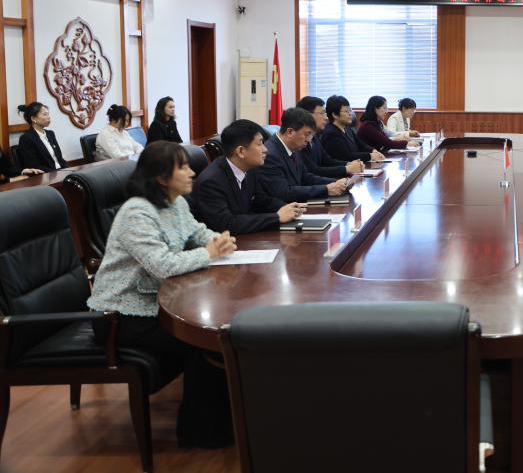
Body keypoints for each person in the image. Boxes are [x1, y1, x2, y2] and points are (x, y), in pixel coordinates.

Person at [86, 141, 237, 448]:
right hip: (121, 315)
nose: (192, 172)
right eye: (184, 167)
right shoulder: (136, 212)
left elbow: (197, 232)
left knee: (216, 332)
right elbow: (163, 266)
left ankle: (226, 420)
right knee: (205, 338)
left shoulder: (175, 202)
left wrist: (218, 241)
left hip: (156, 302)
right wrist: (208, 254)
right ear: (161, 177)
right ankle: (201, 433)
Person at [191, 119, 305, 234]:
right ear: (241, 151)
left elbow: (261, 200)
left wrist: (288, 208)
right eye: (260, 144)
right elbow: (227, 224)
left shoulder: (250, 168)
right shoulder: (210, 182)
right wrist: (277, 217)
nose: (265, 149)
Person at [257, 107, 353, 202]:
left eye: (311, 135)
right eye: (307, 134)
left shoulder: (294, 147)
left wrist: (336, 183)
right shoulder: (270, 155)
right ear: (290, 132)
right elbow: (283, 192)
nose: (309, 140)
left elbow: (305, 177)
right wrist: (326, 189)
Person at [295, 95, 363, 178]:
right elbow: (313, 170)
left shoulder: (315, 137)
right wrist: (346, 169)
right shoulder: (299, 141)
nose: (326, 117)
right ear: (307, 115)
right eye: (322, 113)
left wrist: (349, 164)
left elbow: (327, 160)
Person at [321, 95, 386, 163]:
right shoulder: (331, 134)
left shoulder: (348, 129)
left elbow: (362, 145)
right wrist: (370, 156)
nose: (350, 114)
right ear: (335, 115)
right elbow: (347, 156)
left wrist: (373, 151)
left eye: (350, 110)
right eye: (346, 111)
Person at [15, 102, 67, 171]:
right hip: (47, 175)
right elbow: (34, 166)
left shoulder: (50, 134)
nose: (49, 117)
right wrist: (57, 173)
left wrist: (68, 170)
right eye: (45, 114)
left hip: (61, 172)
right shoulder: (26, 138)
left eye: (48, 114)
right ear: (33, 119)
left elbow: (60, 159)